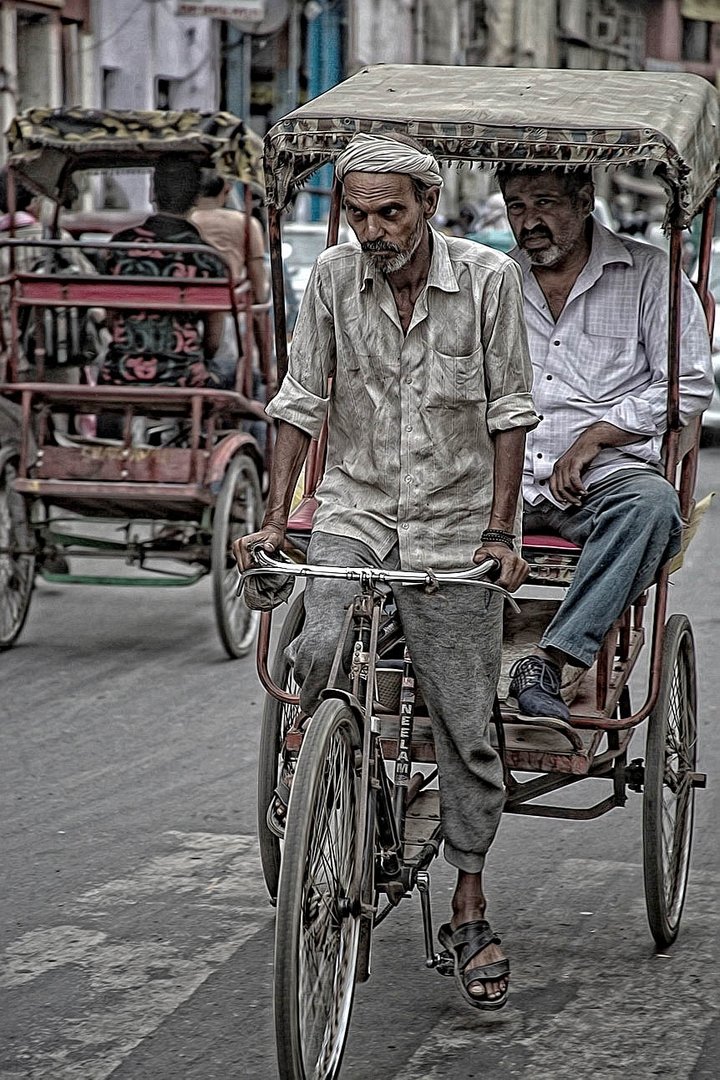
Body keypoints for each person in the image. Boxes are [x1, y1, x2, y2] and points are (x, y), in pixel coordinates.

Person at [235, 131, 538, 1010]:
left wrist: (500, 532)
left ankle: (470, 899)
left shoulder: (486, 279)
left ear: (428, 206)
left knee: (465, 719)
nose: (372, 230)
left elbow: (510, 413)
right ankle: (337, 778)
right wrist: (272, 520)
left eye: (389, 212)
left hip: (452, 525)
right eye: (356, 213)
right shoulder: (332, 278)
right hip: (357, 508)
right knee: (317, 639)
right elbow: (300, 401)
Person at [497, 165, 714, 721]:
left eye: (544, 203)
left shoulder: (649, 275)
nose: (529, 221)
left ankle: (551, 658)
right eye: (517, 207)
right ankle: (424, 644)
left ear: (584, 200)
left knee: (653, 508)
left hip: (599, 479)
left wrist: (599, 434)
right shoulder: (494, 279)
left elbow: (686, 385)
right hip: (504, 475)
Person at [100, 156, 226, 388]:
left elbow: (110, 321)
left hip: (120, 370)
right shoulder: (209, 257)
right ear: (197, 197)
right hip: (185, 376)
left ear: (152, 192)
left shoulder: (118, 246)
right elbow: (213, 342)